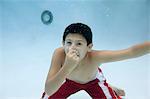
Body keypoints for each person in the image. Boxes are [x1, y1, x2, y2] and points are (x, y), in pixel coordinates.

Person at [41, 23, 150, 99]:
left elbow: (130, 52)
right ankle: (109, 86)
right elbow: (49, 90)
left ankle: (107, 85)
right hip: (67, 81)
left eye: (79, 43)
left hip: (93, 82)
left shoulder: (96, 57)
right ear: (63, 43)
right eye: (69, 43)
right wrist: (67, 67)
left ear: (89, 47)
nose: (72, 48)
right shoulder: (59, 54)